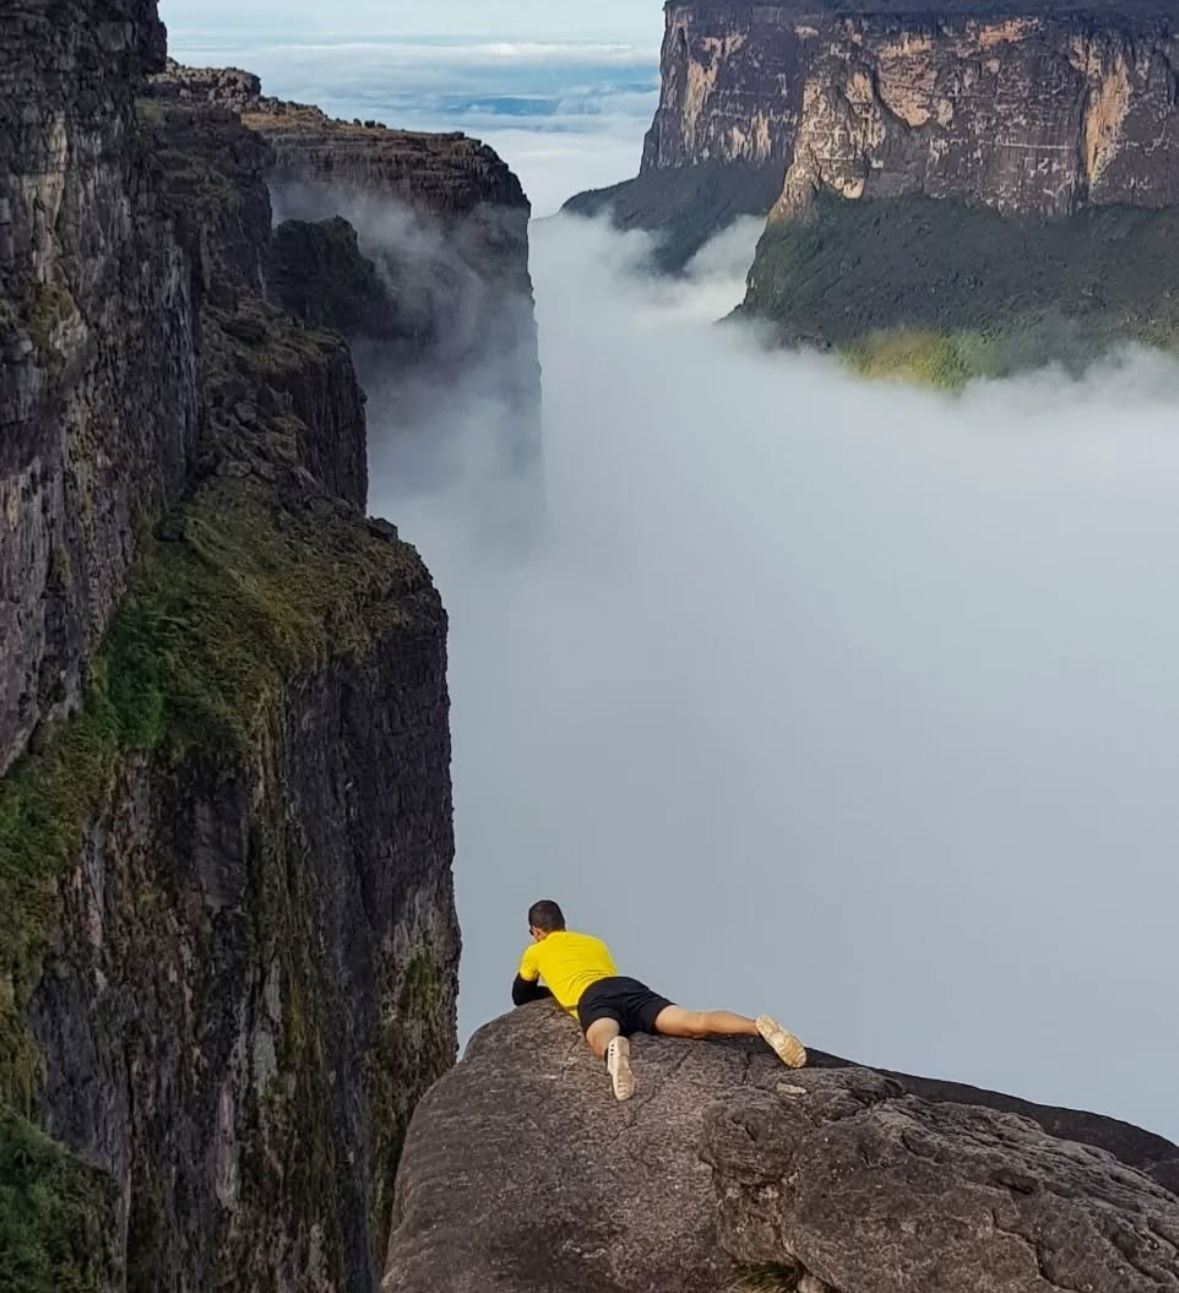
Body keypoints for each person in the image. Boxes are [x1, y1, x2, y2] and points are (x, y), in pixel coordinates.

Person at [511, 898, 807, 1101]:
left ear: (536, 931)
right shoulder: (593, 942)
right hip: (626, 986)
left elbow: (520, 995)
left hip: (591, 997)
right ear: (563, 922)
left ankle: (613, 1052)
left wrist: (552, 991)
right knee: (693, 1022)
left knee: (601, 1032)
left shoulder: (536, 951)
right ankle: (757, 1026)